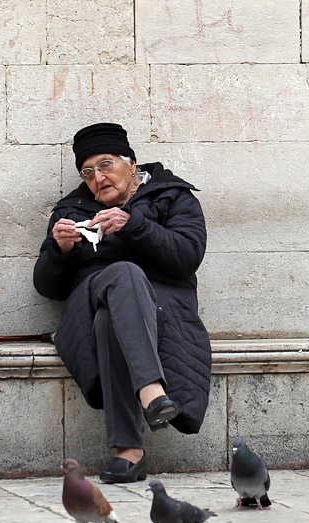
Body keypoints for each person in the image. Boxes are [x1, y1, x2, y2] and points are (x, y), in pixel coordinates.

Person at [33, 122, 212, 484]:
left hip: (162, 309)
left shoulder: (172, 197)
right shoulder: (72, 210)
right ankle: (152, 393)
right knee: (124, 273)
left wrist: (133, 226)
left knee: (110, 319)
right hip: (87, 301)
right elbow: (46, 286)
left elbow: (188, 256)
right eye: (88, 172)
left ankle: (129, 453)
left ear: (131, 164)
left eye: (106, 165)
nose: (98, 178)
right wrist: (60, 250)